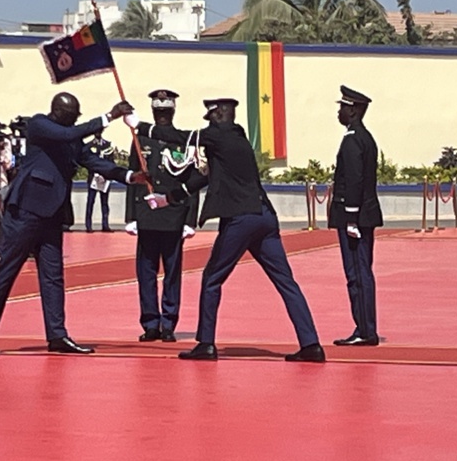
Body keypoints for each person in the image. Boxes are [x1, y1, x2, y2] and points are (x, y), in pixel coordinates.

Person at [128, 97, 325, 362]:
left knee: (212, 279)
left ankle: (206, 343)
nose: (209, 123)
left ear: (219, 115)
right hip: (264, 216)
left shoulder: (218, 136)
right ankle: (311, 343)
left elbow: (179, 137)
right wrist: (167, 199)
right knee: (286, 282)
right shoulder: (238, 138)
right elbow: (204, 178)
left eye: (211, 117)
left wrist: (141, 127)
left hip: (241, 219)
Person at [0, 94, 148, 357]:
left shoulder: (70, 137)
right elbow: (68, 136)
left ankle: (57, 335)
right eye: (72, 115)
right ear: (59, 112)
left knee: (53, 277)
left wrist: (128, 176)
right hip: (26, 211)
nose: (76, 120)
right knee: (7, 273)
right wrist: (109, 116)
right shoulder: (40, 125)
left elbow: (93, 161)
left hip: (52, 214)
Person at [125, 89, 199, 343]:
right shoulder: (140, 140)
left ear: (173, 112)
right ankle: (150, 323)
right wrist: (131, 216)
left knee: (172, 273)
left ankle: (168, 323)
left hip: (173, 215)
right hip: (146, 214)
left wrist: (190, 220)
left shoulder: (182, 141)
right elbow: (133, 178)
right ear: (153, 113)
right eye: (159, 113)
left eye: (166, 113)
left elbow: (192, 182)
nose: (162, 117)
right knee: (145, 272)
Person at [330, 86, 383, 346]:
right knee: (361, 272)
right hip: (363, 215)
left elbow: (354, 181)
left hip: (356, 218)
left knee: (358, 274)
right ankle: (365, 327)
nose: (339, 111)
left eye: (342, 107)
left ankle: (365, 329)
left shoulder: (353, 140)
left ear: (353, 110)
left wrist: (350, 218)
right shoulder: (365, 138)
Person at [84, 132, 113, 233]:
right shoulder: (89, 145)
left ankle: (105, 225)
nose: (98, 133)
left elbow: (111, 162)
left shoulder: (107, 145)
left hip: (105, 178)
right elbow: (86, 162)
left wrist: (106, 174)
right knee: (90, 202)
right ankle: (88, 225)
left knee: (104, 203)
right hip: (93, 178)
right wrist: (95, 173)